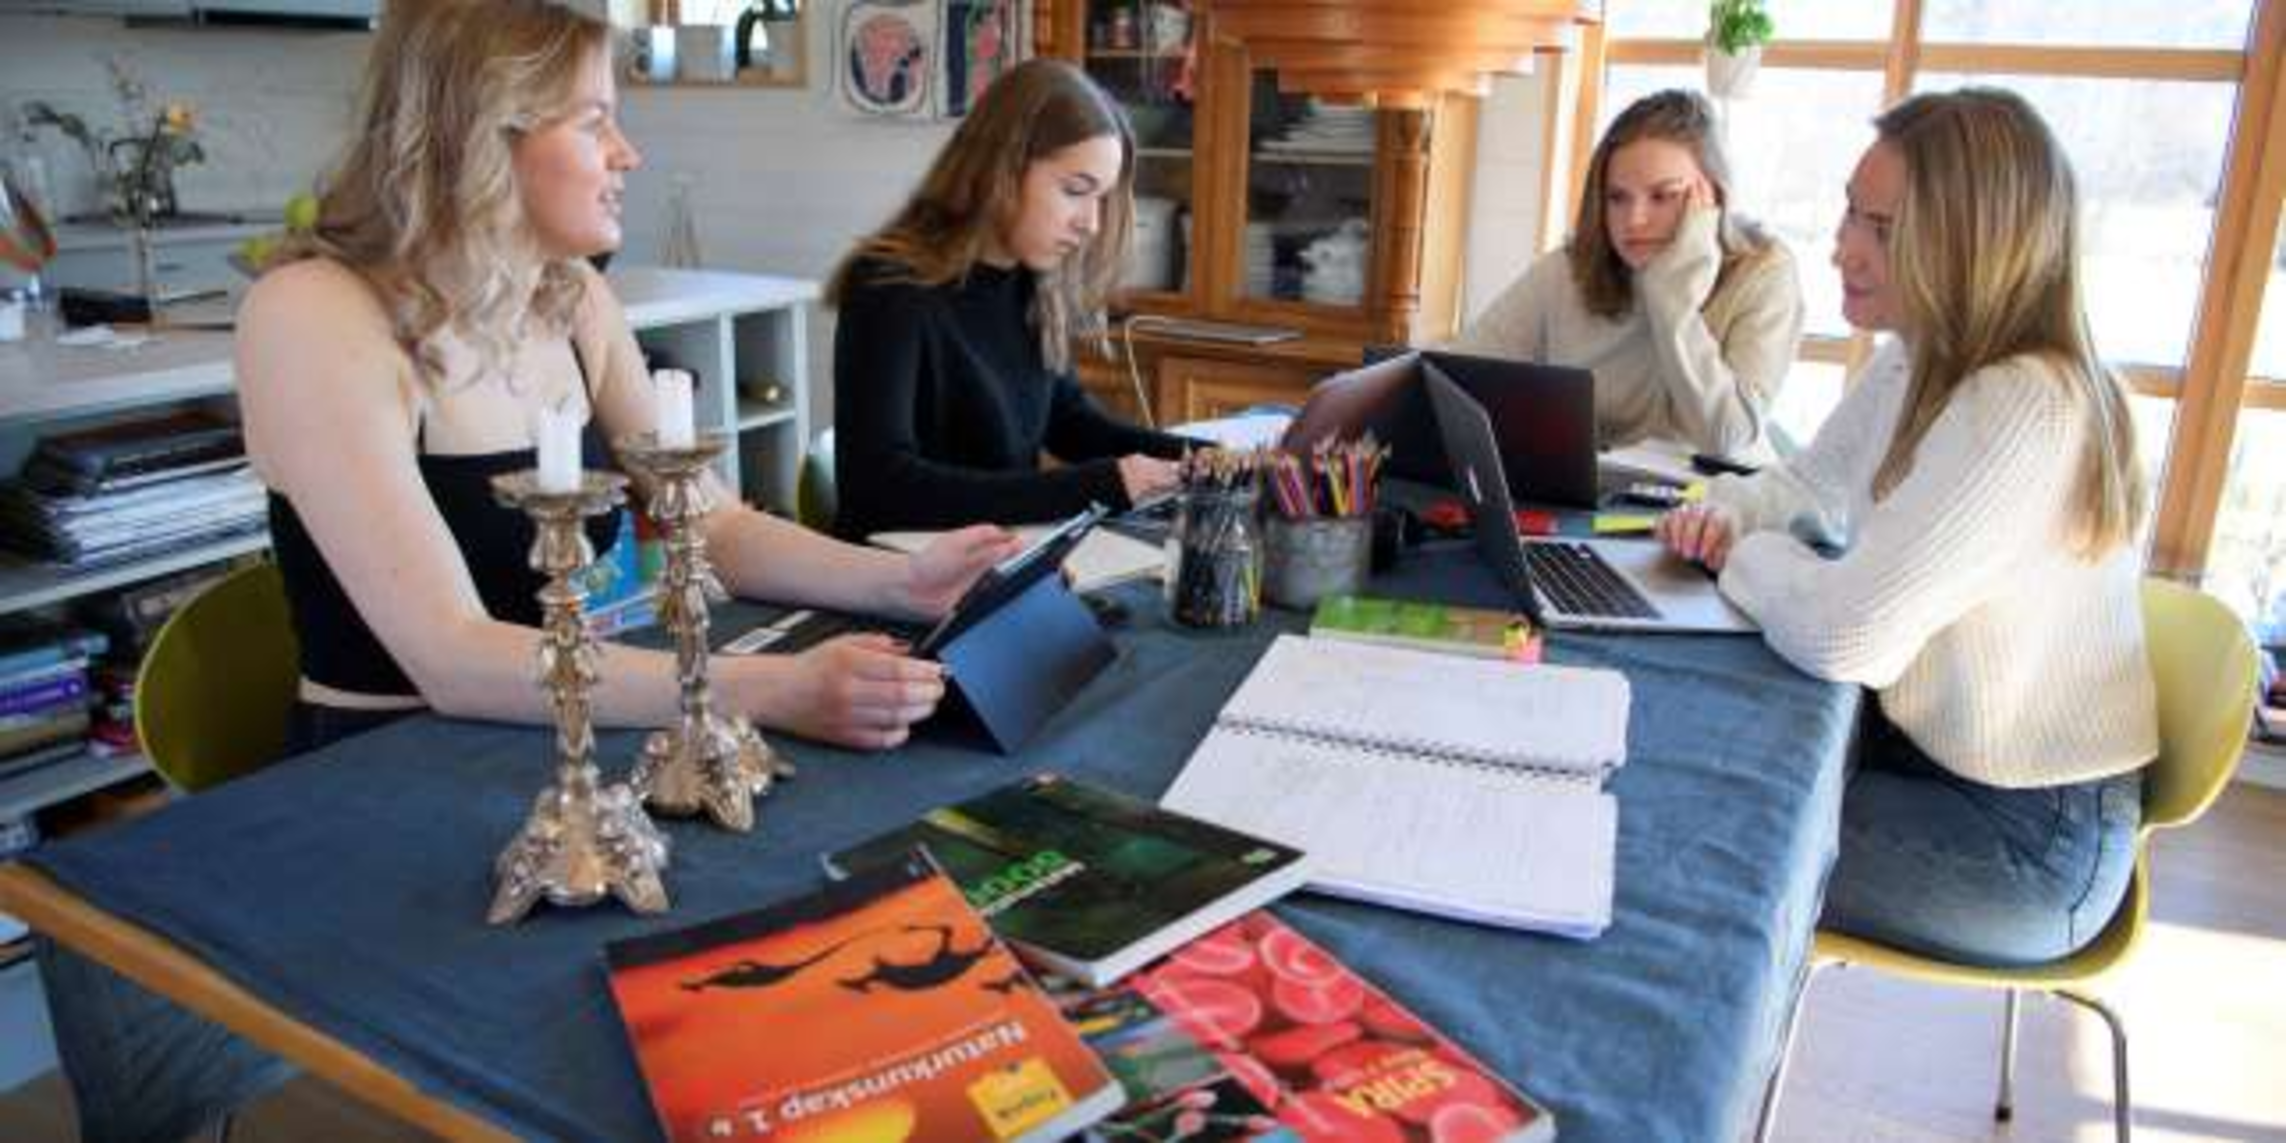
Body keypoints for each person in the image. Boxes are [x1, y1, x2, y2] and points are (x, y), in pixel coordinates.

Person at [236, 0, 1019, 756]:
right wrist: (773, 687)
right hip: (382, 767)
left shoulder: (570, 293)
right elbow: (453, 654)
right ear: (481, 135)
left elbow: (713, 526)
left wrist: (904, 583)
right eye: (593, 121)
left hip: (562, 734)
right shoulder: (313, 312)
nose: (626, 154)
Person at [1657, 88, 2157, 967]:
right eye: (1851, 212)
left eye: (1881, 228)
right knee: (1685, 759)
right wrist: (1725, 512)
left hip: (2025, 836)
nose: (1843, 246)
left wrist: (1750, 552)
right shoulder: (1921, 355)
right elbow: (1809, 482)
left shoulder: (2025, 405)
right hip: (1926, 748)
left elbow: (1847, 635)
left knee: (1687, 832)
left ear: (1970, 241)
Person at [826, 58, 1193, 540]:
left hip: (991, 555)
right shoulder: (889, 287)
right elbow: (881, 488)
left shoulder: (1030, 280)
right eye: (1075, 191)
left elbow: (1071, 422)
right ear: (1002, 168)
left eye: (1101, 199)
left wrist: (1203, 459)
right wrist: (1103, 484)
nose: (1091, 224)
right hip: (894, 570)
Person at [1445, 89, 1803, 460]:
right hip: (1594, 487)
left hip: (1714, 493)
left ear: (1712, 197)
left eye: (1662, 196)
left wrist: (1672, 298)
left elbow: (1727, 436)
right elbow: (1456, 375)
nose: (1634, 220)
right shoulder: (1570, 269)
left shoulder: (1764, 272)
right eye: (1617, 198)